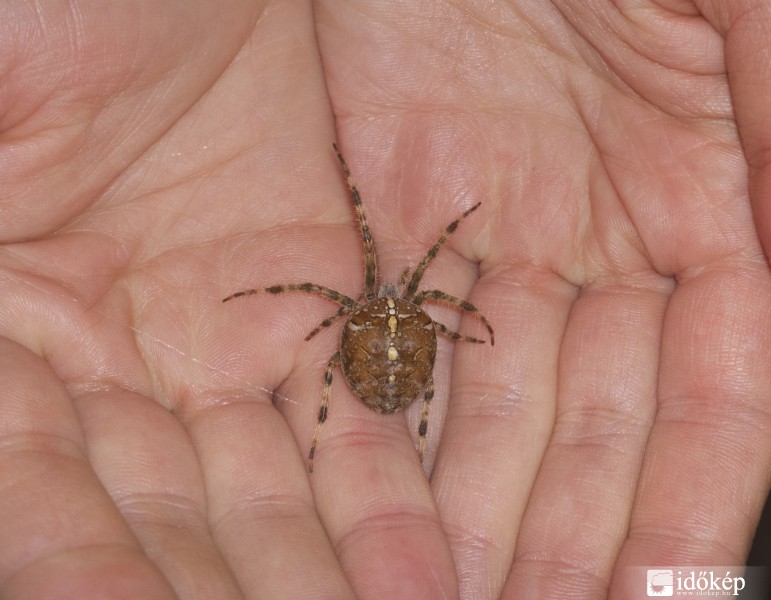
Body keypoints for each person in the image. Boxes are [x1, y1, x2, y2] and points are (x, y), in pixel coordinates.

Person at [0, 1, 769, 598]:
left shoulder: (364, 306)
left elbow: (334, 301)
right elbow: (347, 289)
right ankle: (371, 434)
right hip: (393, 358)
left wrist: (458, 321)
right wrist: (459, 323)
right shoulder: (393, 302)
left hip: (383, 355)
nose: (403, 281)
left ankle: (362, 437)